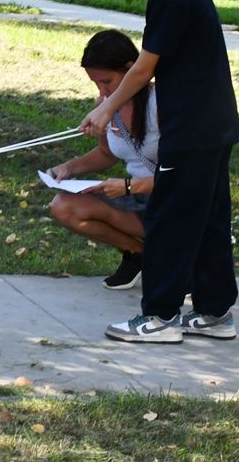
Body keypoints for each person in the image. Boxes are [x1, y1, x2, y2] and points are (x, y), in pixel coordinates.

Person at [80, 0, 239, 344]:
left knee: (170, 220)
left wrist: (106, 107)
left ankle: (160, 318)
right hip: (215, 126)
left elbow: (142, 68)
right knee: (208, 220)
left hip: (190, 131)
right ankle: (214, 312)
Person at [48, 30, 158, 290]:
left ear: (131, 69)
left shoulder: (160, 103)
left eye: (107, 81)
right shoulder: (106, 105)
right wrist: (69, 168)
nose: (102, 91)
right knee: (63, 205)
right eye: (96, 83)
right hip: (138, 196)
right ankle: (139, 254)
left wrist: (128, 186)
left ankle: (180, 253)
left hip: (172, 199)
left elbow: (184, 174)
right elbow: (107, 153)